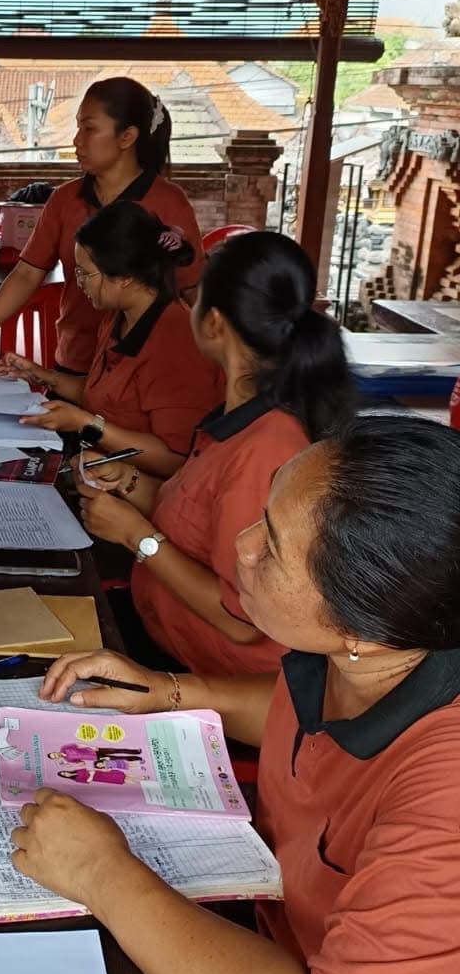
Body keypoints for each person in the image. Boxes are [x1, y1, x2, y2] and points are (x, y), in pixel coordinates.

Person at [14, 415, 460, 974]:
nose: (239, 547)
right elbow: (300, 715)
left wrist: (103, 876)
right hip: (276, 959)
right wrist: (174, 693)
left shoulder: (447, 792)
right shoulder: (365, 654)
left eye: (272, 546)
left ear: (360, 627)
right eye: (263, 515)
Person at [77, 230, 355, 676]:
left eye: (196, 296)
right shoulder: (239, 419)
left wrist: (137, 536)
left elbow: (242, 619)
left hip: (209, 675)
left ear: (215, 323)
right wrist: (128, 482)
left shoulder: (268, 448)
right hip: (165, 637)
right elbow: (198, 521)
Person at [0, 76, 203, 374]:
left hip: (147, 371)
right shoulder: (65, 199)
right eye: (78, 127)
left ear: (126, 137)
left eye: (89, 129)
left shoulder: (168, 202)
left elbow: (191, 291)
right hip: (75, 360)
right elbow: (27, 272)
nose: (77, 140)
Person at [0, 200, 221, 478]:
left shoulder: (175, 341)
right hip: (94, 469)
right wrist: (44, 377)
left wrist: (86, 423)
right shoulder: (119, 317)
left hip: (139, 492)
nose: (79, 283)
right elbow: (107, 397)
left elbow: (174, 459)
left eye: (85, 273)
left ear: (124, 277)